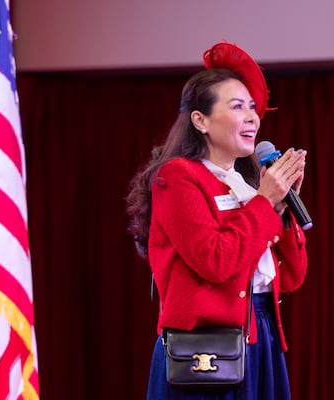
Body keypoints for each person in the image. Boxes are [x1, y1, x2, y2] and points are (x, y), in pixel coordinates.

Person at [125, 41, 308, 400]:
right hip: (204, 348)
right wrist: (265, 201)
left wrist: (282, 210)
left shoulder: (246, 185)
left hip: (260, 335)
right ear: (201, 120)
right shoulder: (177, 177)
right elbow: (215, 261)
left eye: (253, 108)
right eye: (238, 106)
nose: (253, 117)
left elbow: (291, 277)